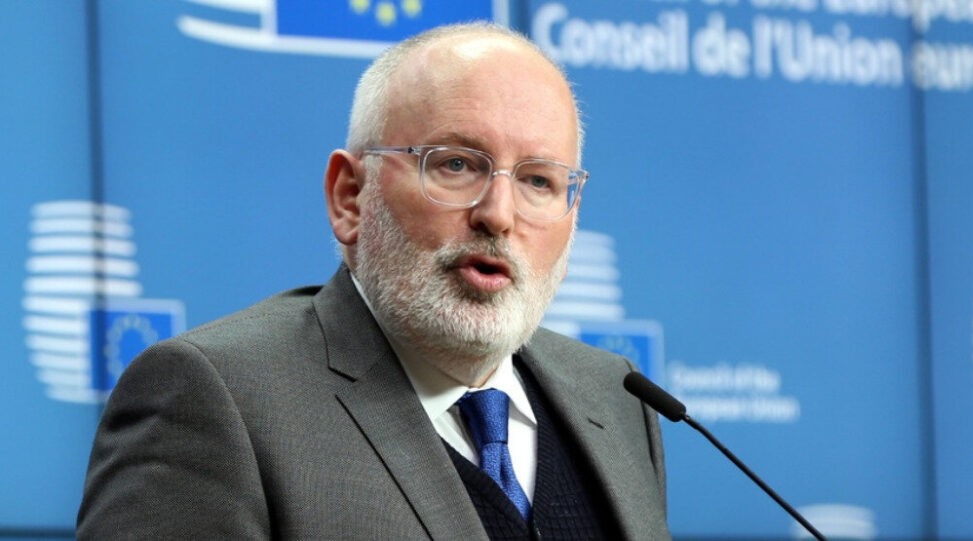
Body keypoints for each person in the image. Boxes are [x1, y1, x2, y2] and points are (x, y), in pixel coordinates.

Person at [78, 23, 669, 540]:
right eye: (455, 164)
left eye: (538, 181)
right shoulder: (216, 398)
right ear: (349, 196)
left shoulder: (617, 399)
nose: (499, 215)